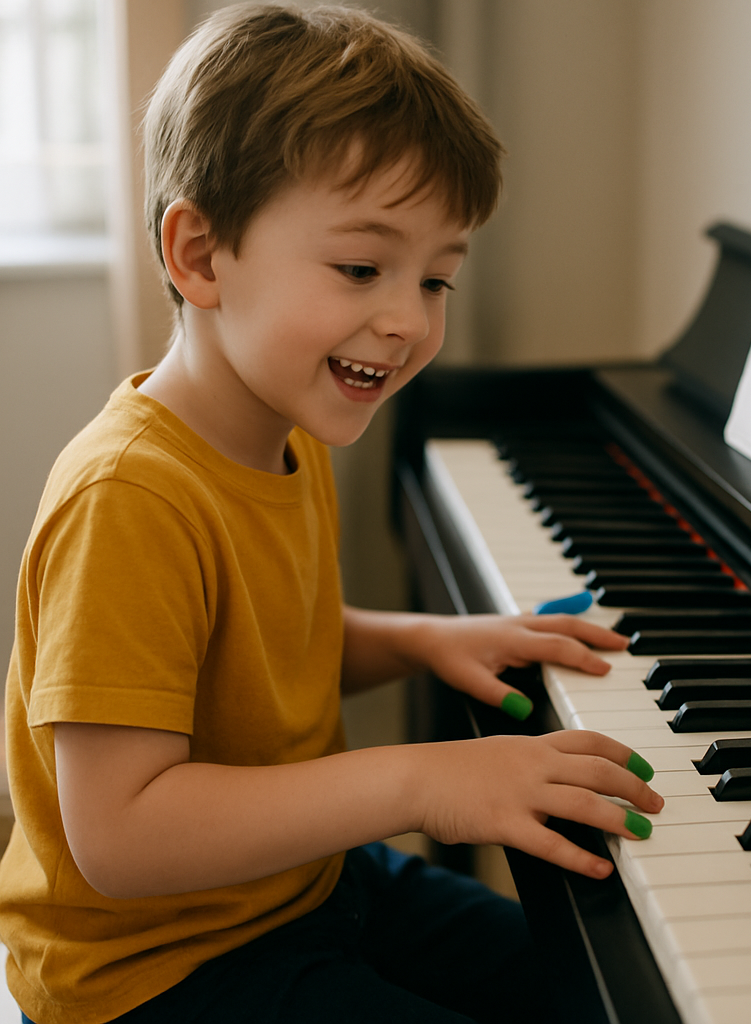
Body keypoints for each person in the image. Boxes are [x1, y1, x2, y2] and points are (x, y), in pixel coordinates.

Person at [0, 5, 663, 1023]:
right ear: (202, 254)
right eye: (362, 267)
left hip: (299, 886)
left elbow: (255, 652)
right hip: (157, 967)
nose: (407, 319)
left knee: (596, 982)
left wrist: (423, 640)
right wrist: (420, 782)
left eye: (436, 276)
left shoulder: (285, 427)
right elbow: (120, 832)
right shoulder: (129, 495)